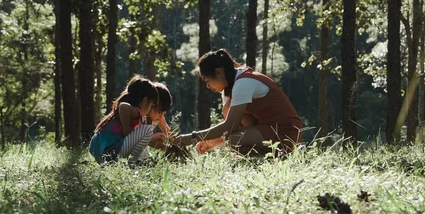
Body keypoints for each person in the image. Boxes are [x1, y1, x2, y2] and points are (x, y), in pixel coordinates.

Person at [174, 49, 302, 155]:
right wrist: (211, 142)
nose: (207, 86)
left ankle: (275, 159)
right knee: (234, 135)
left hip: (286, 132)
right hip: (269, 129)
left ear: (218, 72)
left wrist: (191, 137)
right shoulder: (231, 86)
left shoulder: (243, 84)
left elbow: (229, 126)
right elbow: (237, 126)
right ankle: (260, 162)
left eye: (207, 80)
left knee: (235, 140)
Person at [89, 75, 158, 164]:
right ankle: (133, 162)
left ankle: (143, 160)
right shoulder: (136, 111)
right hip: (110, 149)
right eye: (151, 105)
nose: (150, 109)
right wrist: (127, 130)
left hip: (97, 147)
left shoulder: (127, 113)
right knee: (147, 130)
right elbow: (123, 106)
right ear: (145, 101)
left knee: (142, 136)